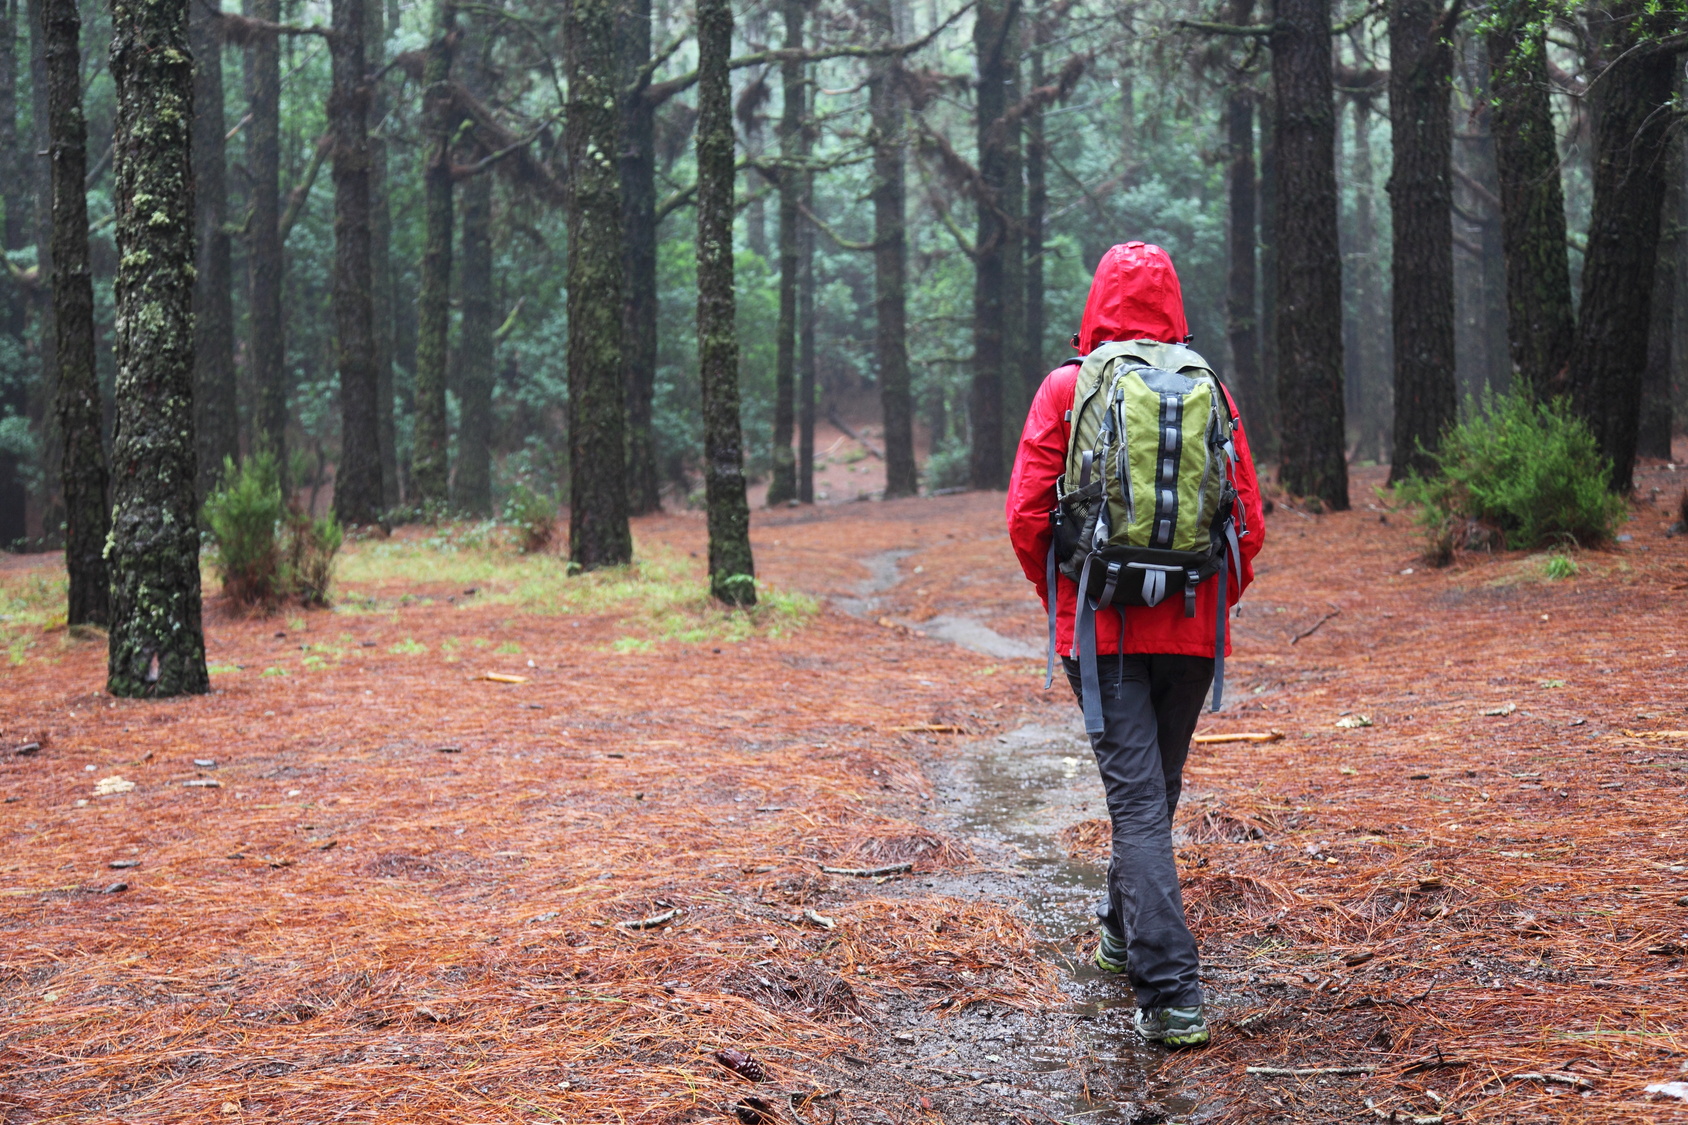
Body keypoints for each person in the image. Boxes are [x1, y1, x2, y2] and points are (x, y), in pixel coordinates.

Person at [1005, 241, 1267, 1049]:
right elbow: (1248, 525)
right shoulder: (1208, 387)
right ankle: (1123, 929)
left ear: (1096, 302)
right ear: (1174, 302)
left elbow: (1025, 514)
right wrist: (1205, 602)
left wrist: (1067, 600)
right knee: (1158, 794)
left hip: (1103, 632)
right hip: (1191, 631)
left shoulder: (1068, 387)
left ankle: (1171, 991)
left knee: (1138, 804)